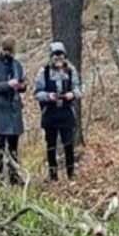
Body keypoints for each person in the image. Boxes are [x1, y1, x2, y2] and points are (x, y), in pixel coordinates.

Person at [33, 42, 83, 181]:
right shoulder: (44, 72)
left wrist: (72, 94)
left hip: (66, 112)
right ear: (51, 57)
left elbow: (79, 89)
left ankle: (71, 174)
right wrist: (48, 96)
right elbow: (37, 93)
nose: (58, 59)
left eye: (60, 56)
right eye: (55, 56)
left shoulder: (71, 71)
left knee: (68, 144)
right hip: (50, 113)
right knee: (51, 145)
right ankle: (53, 175)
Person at [0, 37, 26, 184]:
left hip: (15, 109)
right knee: (0, 145)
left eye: (12, 51)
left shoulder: (17, 65)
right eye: (9, 51)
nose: (11, 54)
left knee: (14, 145)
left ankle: (14, 175)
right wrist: (7, 84)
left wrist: (21, 85)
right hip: (1, 110)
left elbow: (23, 83)